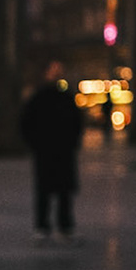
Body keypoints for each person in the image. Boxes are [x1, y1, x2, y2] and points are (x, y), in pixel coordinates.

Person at [19, 61, 82, 242]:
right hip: (45, 151)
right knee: (44, 191)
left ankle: (64, 226)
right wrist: (35, 144)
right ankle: (43, 226)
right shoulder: (39, 98)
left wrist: (72, 142)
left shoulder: (65, 98)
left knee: (64, 192)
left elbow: (77, 123)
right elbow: (26, 123)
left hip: (62, 151)